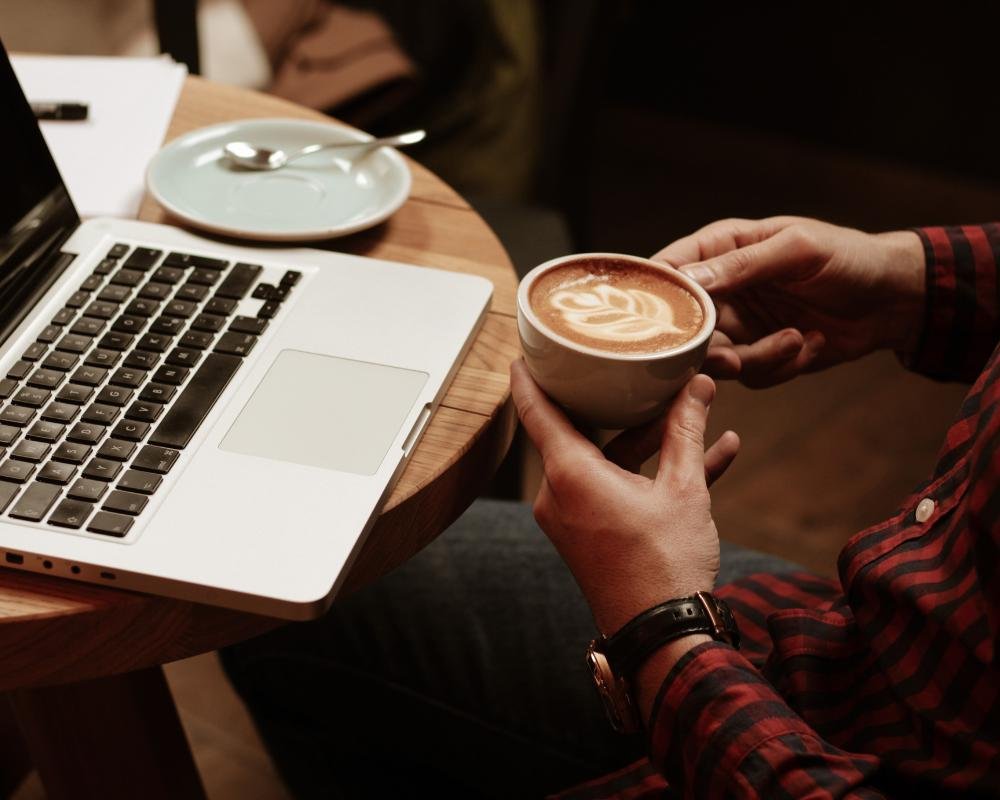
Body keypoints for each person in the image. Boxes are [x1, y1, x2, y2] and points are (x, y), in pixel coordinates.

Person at [222, 216, 999, 799]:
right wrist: (915, 280)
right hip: (855, 647)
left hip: (796, 749)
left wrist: (660, 630)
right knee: (308, 582)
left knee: (298, 594)